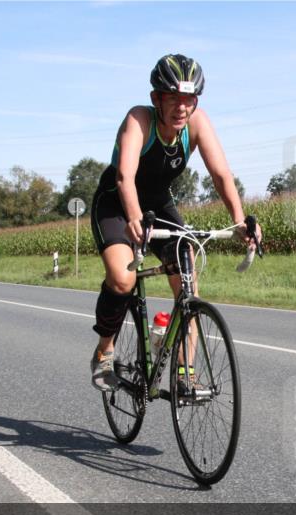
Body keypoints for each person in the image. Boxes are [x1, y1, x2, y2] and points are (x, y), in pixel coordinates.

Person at [89, 54, 261, 391]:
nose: (182, 108)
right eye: (174, 98)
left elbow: (221, 174)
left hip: (157, 204)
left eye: (189, 100)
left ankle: (185, 374)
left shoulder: (198, 124)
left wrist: (239, 220)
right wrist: (135, 219)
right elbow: (125, 176)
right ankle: (104, 351)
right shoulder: (140, 118)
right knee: (123, 280)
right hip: (116, 202)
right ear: (157, 98)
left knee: (187, 282)